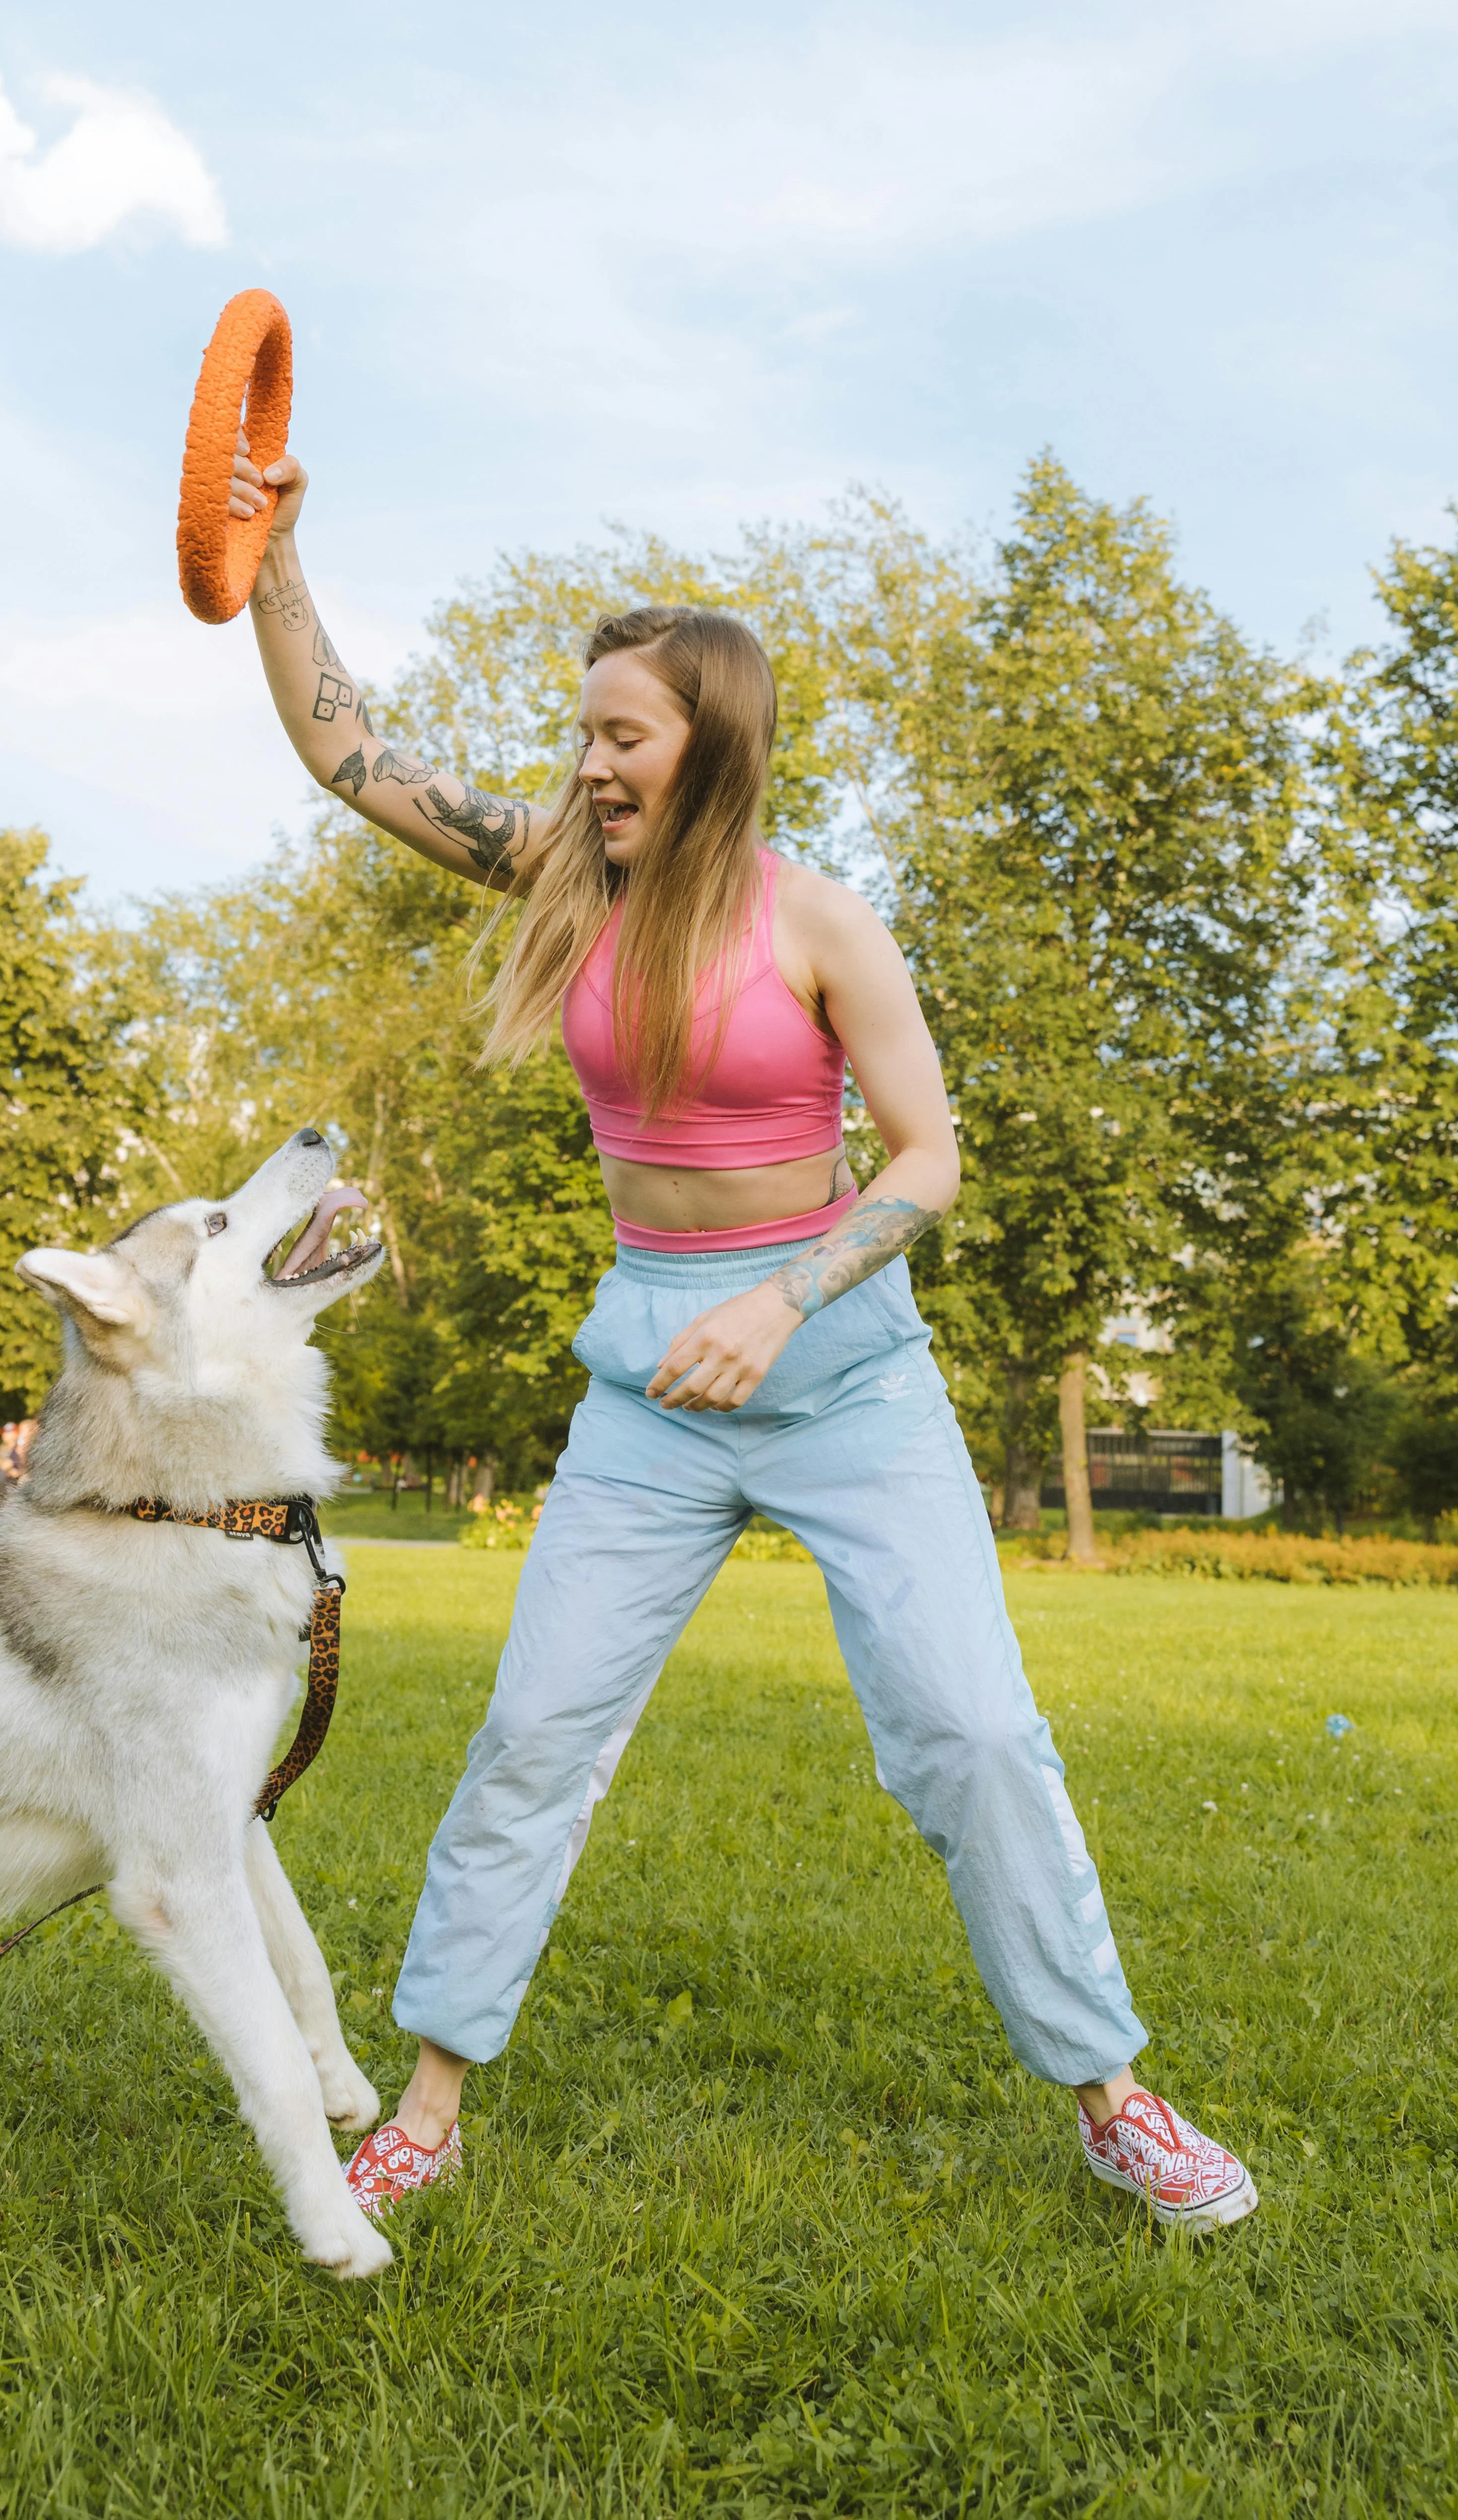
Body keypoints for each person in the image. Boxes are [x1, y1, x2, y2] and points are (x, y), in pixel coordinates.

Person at [233, 430, 1258, 2235]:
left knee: (974, 1732)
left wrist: (788, 1293)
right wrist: (281, 555)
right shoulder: (565, 873)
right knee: (534, 1732)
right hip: (651, 1381)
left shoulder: (821, 922)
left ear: (708, 737)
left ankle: (1111, 2094)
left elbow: (933, 1159)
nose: (584, 761)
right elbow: (349, 751)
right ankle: (429, 2103)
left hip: (844, 1373)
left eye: (618, 734)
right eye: (581, 732)